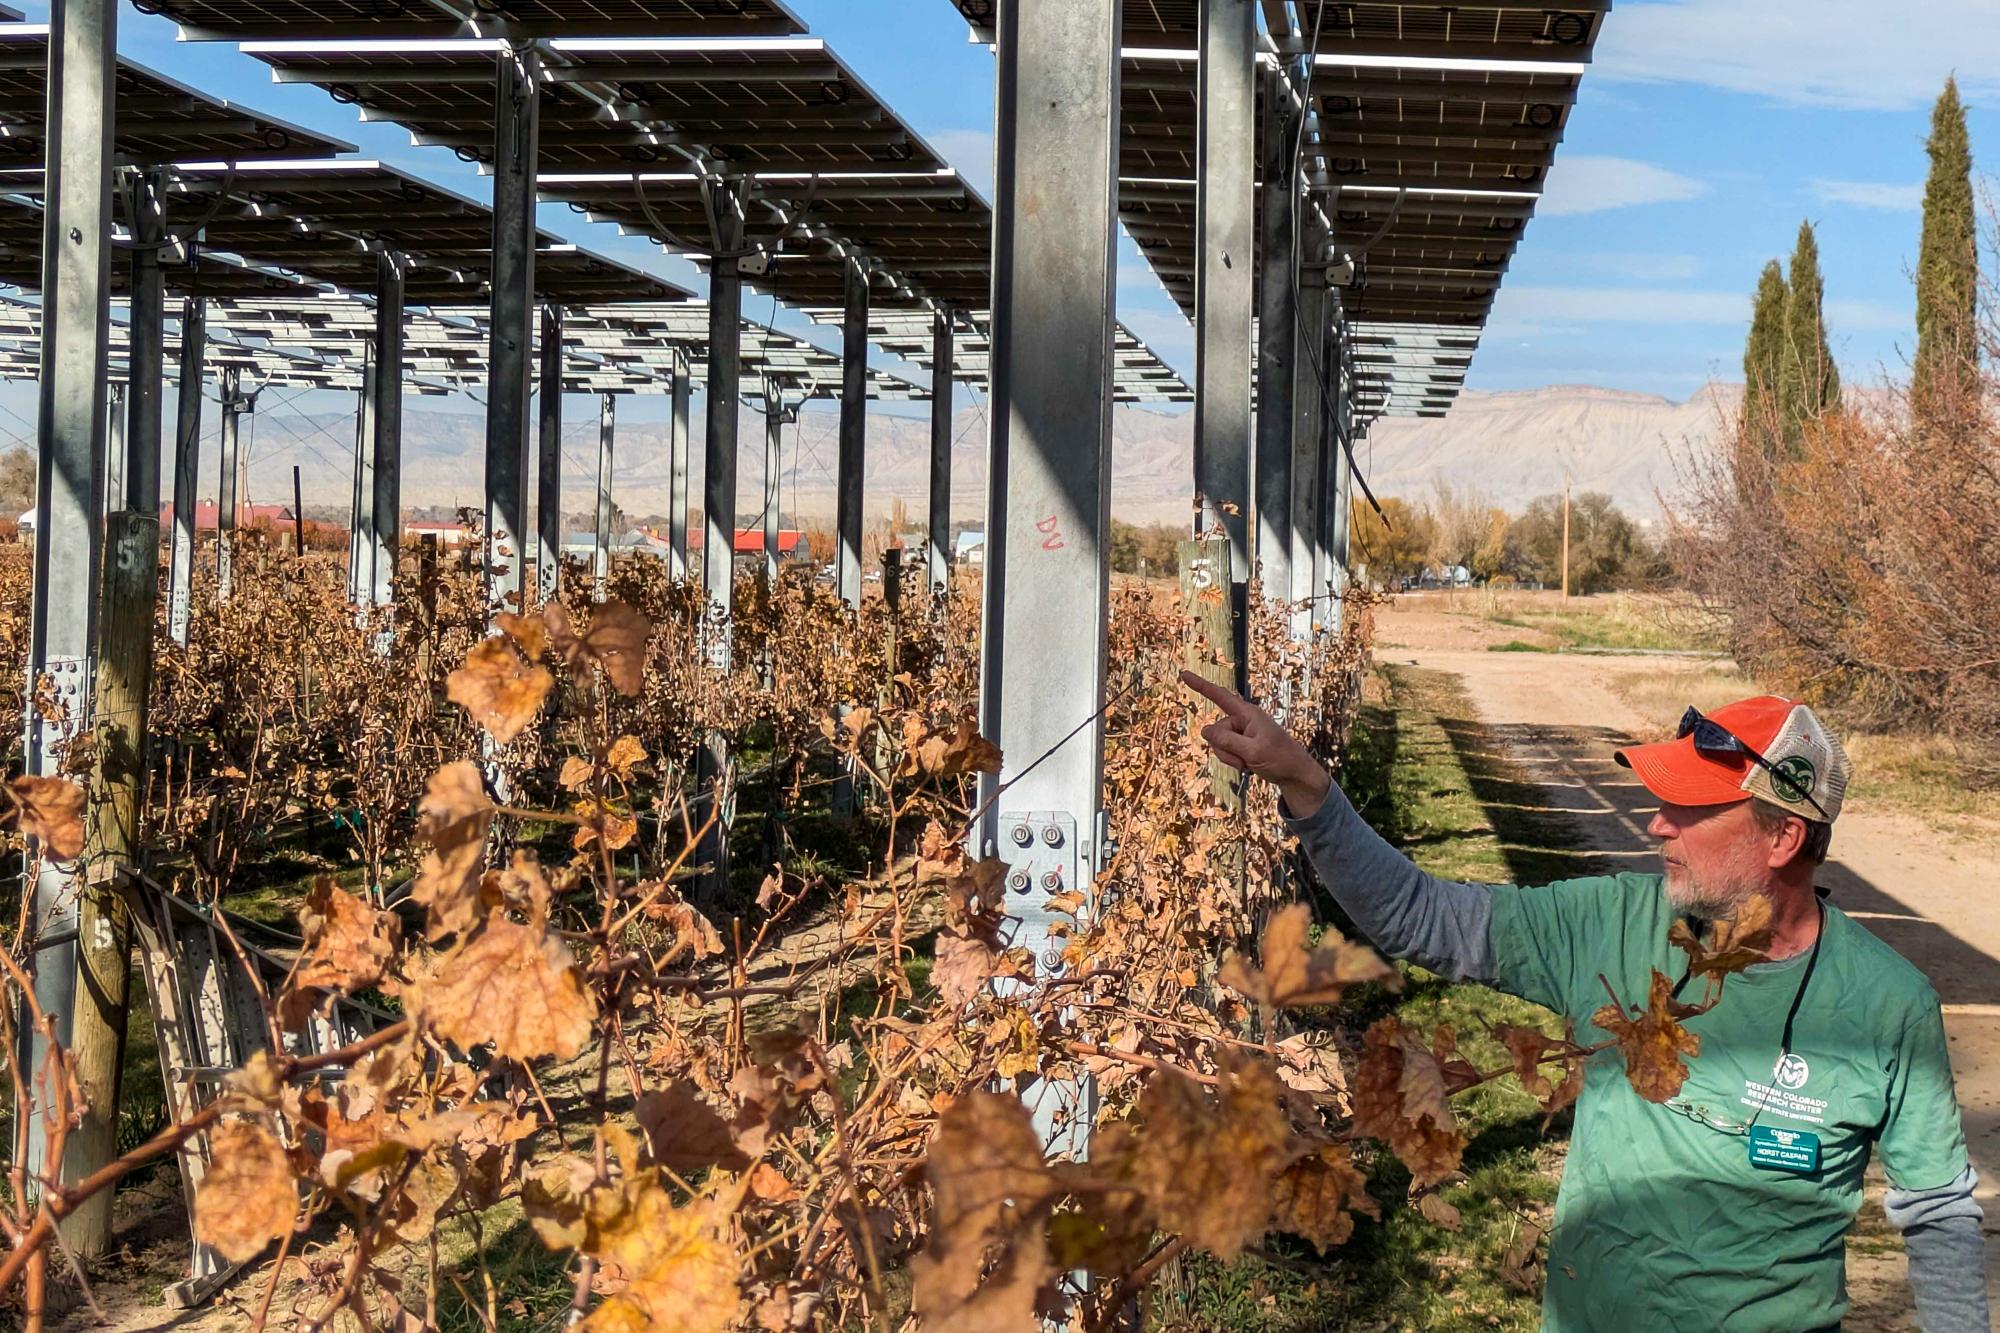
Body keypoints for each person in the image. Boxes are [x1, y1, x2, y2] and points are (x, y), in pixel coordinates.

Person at [1183, 674, 1989, 1333]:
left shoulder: (1888, 1005)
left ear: (1782, 840)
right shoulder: (1611, 924)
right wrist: (1308, 785)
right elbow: (1419, 916)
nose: (1655, 822)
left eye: (1691, 809)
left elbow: (1940, 1213)